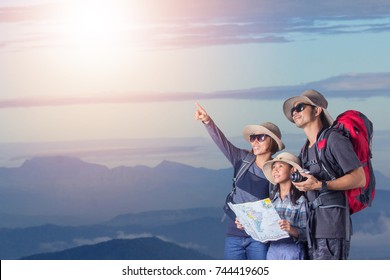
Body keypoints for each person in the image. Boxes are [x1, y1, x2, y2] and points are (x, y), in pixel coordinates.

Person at [282, 89, 366, 260]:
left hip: (332, 228)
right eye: (293, 110)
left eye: (300, 107)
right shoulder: (305, 149)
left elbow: (359, 178)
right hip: (312, 229)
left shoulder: (334, 140)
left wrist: (320, 185)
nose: (295, 112)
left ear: (317, 110)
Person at [195, 102, 285, 260]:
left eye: (261, 137)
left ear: (272, 142)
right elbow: (222, 143)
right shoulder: (242, 159)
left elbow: (279, 206)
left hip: (260, 238)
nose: (255, 142)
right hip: (234, 236)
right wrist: (207, 121)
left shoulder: (277, 170)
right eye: (253, 137)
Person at [262, 152, 308, 260]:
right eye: (274, 167)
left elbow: (307, 234)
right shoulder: (272, 202)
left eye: (280, 166)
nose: (275, 170)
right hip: (273, 250)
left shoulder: (300, 201)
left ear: (292, 170)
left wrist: (291, 229)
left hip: (292, 250)